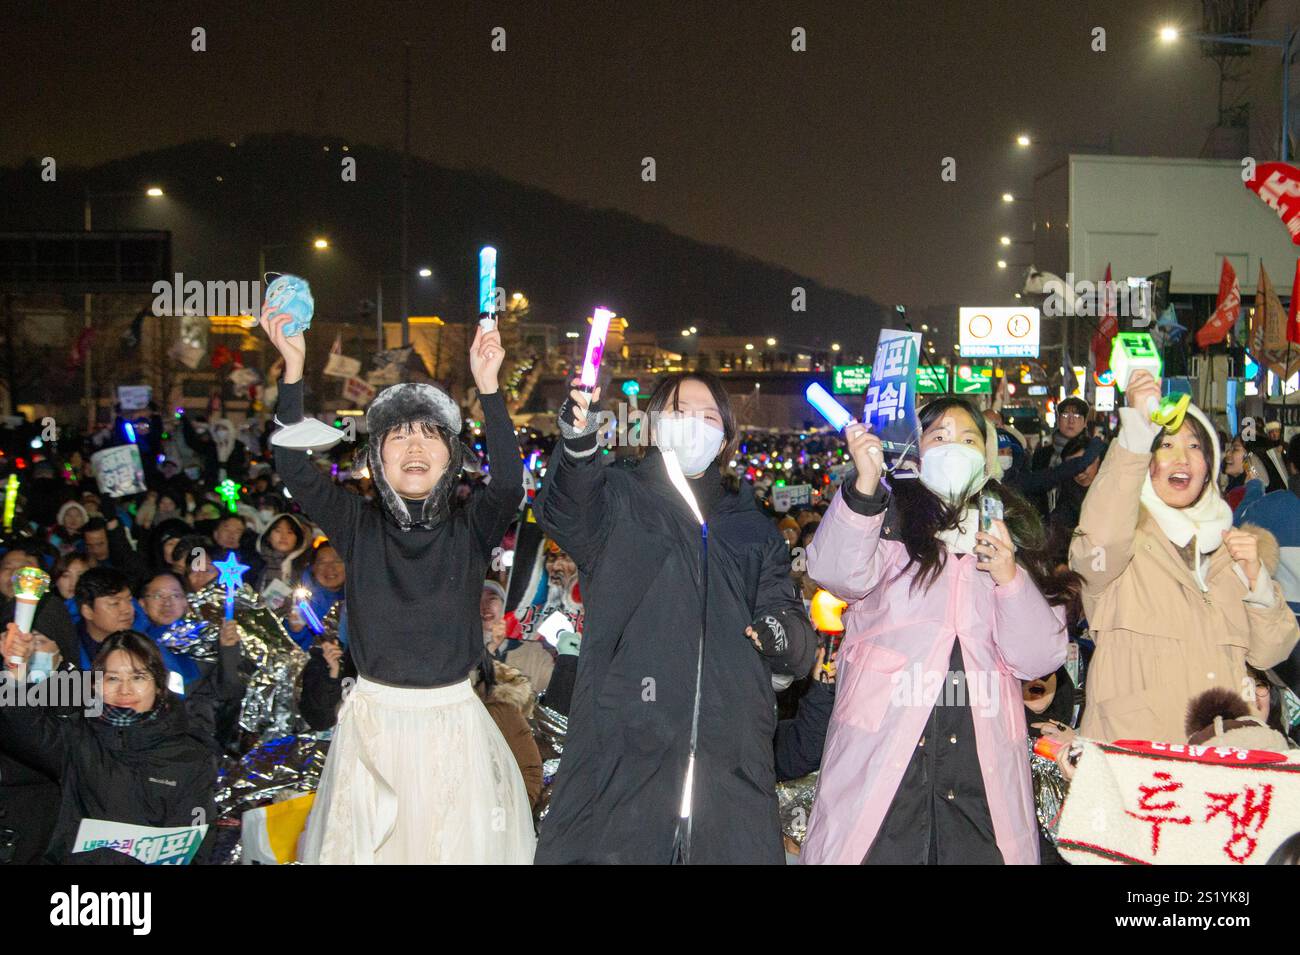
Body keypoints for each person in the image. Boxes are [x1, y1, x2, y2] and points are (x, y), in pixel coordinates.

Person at [261, 303, 533, 864]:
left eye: (430, 438)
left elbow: (508, 482)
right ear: (376, 457)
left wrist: (489, 388)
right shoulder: (356, 525)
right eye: (398, 437)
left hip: (454, 725)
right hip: (374, 729)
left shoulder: (469, 530)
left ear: (451, 458)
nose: (414, 448)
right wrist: (292, 369)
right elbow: (290, 464)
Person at [535, 371, 816, 864]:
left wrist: (781, 634)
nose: (695, 425)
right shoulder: (619, 498)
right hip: (626, 762)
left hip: (731, 776)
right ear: (653, 423)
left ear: (726, 437)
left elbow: (793, 634)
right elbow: (566, 510)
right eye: (680, 411)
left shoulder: (753, 529)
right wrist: (578, 448)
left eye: (709, 416)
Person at [800, 397, 1071, 864]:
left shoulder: (1010, 533)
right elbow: (834, 571)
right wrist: (865, 485)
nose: (955, 448)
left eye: (969, 440)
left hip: (977, 772)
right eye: (940, 437)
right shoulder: (887, 515)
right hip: (885, 758)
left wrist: (1009, 577)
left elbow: (1038, 657)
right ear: (916, 448)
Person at [1069, 371, 1300, 742]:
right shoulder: (1123, 546)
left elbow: (1273, 650)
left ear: (1209, 465)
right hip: (1138, 760)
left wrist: (1258, 583)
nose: (1182, 458)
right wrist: (1135, 434)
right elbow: (1098, 538)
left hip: (1219, 762)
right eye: (1166, 446)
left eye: (1195, 447)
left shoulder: (1230, 549)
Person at [0, 628, 217, 863]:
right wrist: (15, 671)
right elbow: (23, 724)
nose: (125, 690)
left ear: (158, 685)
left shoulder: (190, 758)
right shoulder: (77, 739)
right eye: (112, 678)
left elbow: (196, 847)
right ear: (96, 685)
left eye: (138, 677)